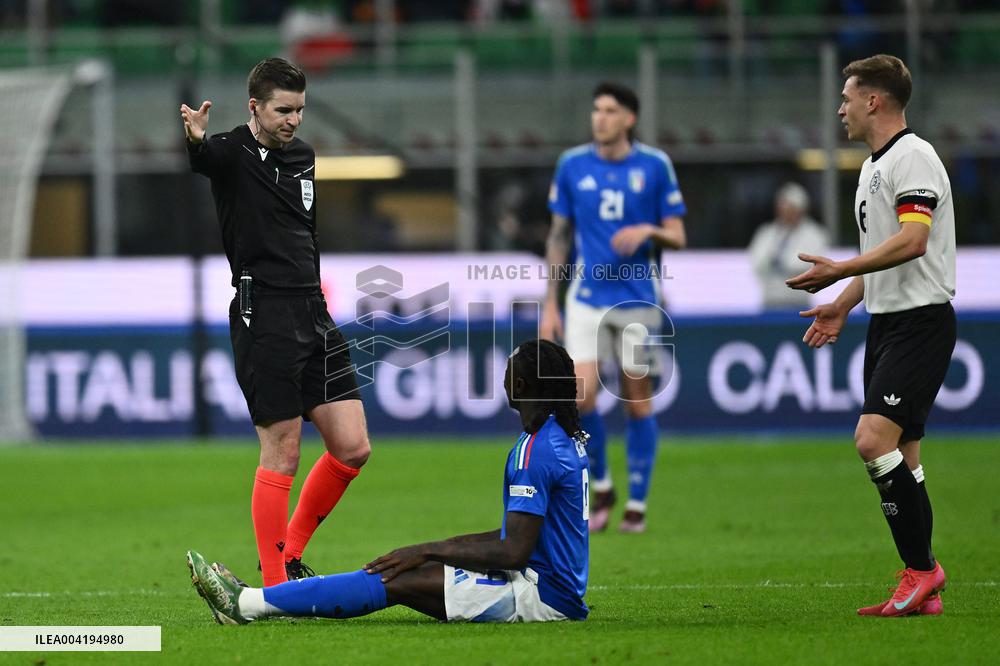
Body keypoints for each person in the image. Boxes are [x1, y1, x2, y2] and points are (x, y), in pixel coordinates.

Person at [186, 339, 590, 624]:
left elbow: (514, 550)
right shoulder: (557, 438)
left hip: (538, 596)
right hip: (546, 585)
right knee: (402, 569)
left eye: (507, 372)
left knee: (392, 579)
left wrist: (429, 550)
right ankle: (254, 600)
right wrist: (433, 551)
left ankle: (246, 603)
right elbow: (518, 537)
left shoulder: (537, 448)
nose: (502, 379)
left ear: (518, 386)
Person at [180, 58, 371, 587]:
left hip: (313, 310)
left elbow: (304, 232)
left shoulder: (304, 157)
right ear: (255, 109)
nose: (293, 120)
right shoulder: (231, 152)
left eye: (299, 110)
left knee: (353, 446)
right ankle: (274, 586)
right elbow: (203, 158)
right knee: (283, 450)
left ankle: (290, 554)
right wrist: (195, 138)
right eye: (283, 110)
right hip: (262, 311)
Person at [787, 54, 954, 617]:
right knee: (903, 455)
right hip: (886, 322)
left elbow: (913, 241)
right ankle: (921, 583)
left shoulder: (915, 158)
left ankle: (923, 571)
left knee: (870, 441)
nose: (840, 108)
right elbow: (879, 257)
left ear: (873, 101)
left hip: (920, 323)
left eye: (847, 97)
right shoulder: (872, 167)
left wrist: (839, 270)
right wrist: (840, 303)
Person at [540, 81, 687, 534]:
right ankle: (602, 485)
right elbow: (558, 236)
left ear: (629, 119)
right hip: (585, 298)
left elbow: (678, 235)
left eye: (609, 110)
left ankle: (637, 505)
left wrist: (647, 231)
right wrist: (550, 303)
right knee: (581, 398)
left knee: (636, 400)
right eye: (596, 109)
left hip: (638, 301)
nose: (599, 117)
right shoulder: (571, 165)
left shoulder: (655, 165)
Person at [747, 182, 829, 310]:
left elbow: (808, 265)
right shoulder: (766, 232)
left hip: (799, 302)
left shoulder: (814, 234)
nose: (785, 212)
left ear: (800, 210)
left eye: (790, 208)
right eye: (782, 207)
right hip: (769, 301)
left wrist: (780, 264)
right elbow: (757, 261)